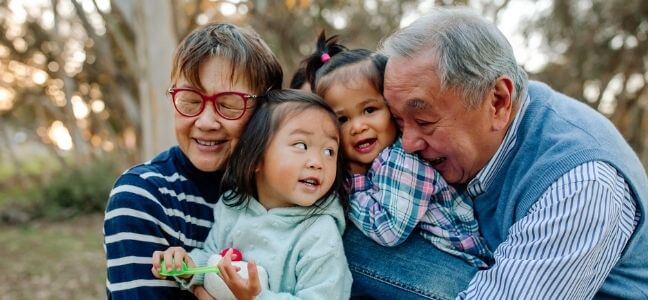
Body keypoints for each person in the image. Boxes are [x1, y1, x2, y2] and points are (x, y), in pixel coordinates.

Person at [344, 6, 648, 299]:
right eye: (398, 121)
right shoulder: (480, 136)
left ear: (498, 102)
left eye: (424, 121)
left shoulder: (582, 183)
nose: (408, 143)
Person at [103, 23, 283, 299]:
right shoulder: (143, 197)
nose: (206, 121)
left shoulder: (282, 192)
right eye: (189, 101)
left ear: (264, 111)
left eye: (229, 104)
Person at [305, 32, 492, 268]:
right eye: (342, 120)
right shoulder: (378, 162)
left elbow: (388, 232)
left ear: (393, 109)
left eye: (369, 110)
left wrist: (351, 184)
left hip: (460, 266)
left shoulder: (403, 160)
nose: (358, 126)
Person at [151, 89, 353, 299]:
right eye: (301, 145)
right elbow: (213, 258)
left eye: (329, 151)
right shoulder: (233, 207)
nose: (317, 163)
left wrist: (256, 297)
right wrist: (188, 266)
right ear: (256, 158)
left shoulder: (319, 233)